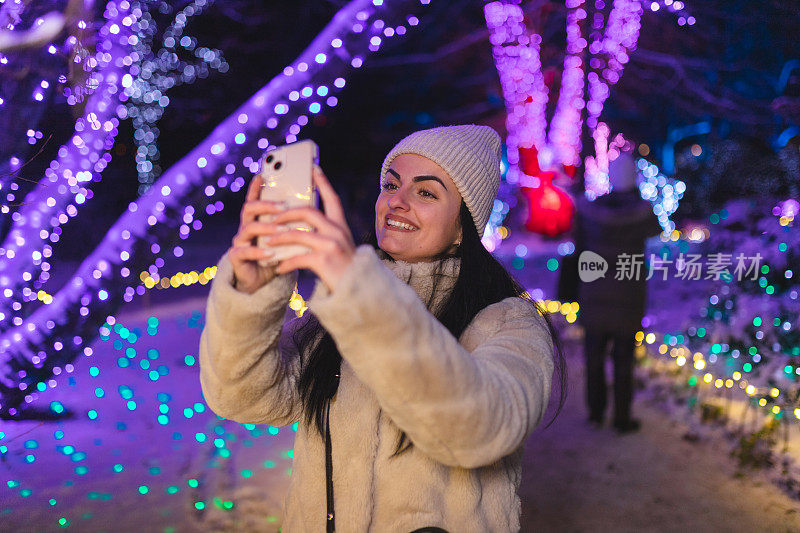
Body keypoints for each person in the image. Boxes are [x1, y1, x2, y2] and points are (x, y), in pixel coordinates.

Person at [199, 125, 566, 532]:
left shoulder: (509, 321)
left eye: (426, 192)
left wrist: (363, 297)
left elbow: (482, 429)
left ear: (464, 223)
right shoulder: (340, 313)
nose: (397, 201)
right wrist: (252, 294)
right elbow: (243, 398)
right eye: (391, 184)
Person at [574, 152, 662, 434]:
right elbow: (656, 232)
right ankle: (622, 418)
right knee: (624, 360)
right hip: (628, 297)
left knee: (594, 357)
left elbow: (577, 247)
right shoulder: (642, 213)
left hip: (594, 294)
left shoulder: (591, 213)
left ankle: (595, 414)